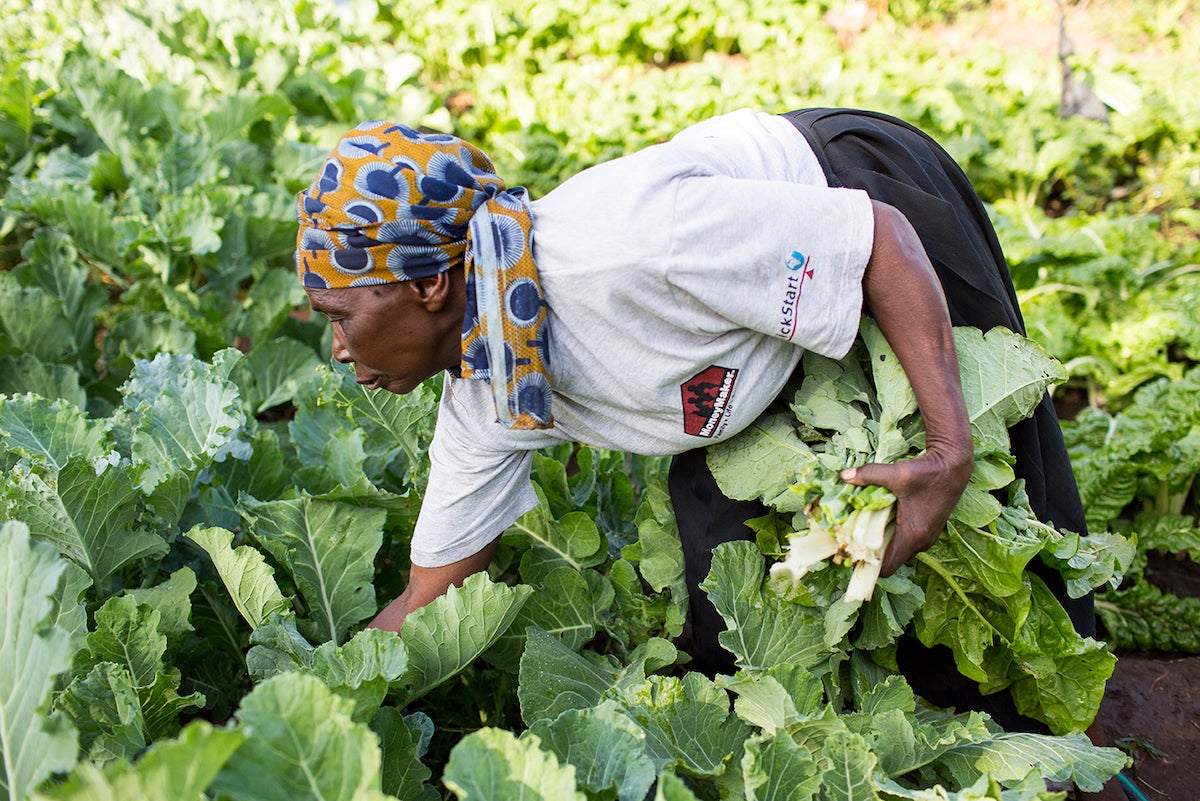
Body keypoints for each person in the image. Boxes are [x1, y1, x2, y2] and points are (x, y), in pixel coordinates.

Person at [294, 108, 1121, 800]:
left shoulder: (627, 247)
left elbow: (877, 240)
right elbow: (431, 595)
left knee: (987, 520)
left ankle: (1044, 752)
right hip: (744, 353)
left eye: (339, 313)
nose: (336, 346)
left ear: (427, 285)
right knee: (729, 618)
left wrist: (947, 448)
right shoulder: (490, 392)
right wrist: (295, 709)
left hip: (866, 214)